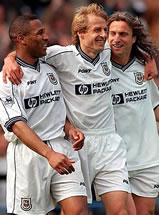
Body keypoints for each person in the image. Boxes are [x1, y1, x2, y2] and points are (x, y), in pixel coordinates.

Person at [1, 4, 158, 215]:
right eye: (98, 30)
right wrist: (8, 60)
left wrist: (148, 59)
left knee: (121, 211)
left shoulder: (107, 52)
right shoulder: (60, 56)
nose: (106, 36)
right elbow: (25, 52)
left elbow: (130, 42)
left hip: (108, 142)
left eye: (105, 30)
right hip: (77, 146)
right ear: (80, 33)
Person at [0, 15, 88, 215]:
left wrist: (70, 129)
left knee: (79, 211)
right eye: (39, 33)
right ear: (22, 39)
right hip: (28, 155)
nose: (46, 37)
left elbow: (55, 110)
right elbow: (17, 126)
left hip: (62, 148)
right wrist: (49, 154)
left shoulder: (51, 68)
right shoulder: (7, 79)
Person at [107, 11, 159, 215]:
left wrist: (148, 57)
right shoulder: (96, 66)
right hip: (115, 159)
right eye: (112, 33)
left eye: (123, 34)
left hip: (147, 158)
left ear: (134, 38)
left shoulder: (144, 66)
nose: (116, 39)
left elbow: (155, 106)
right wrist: (12, 58)